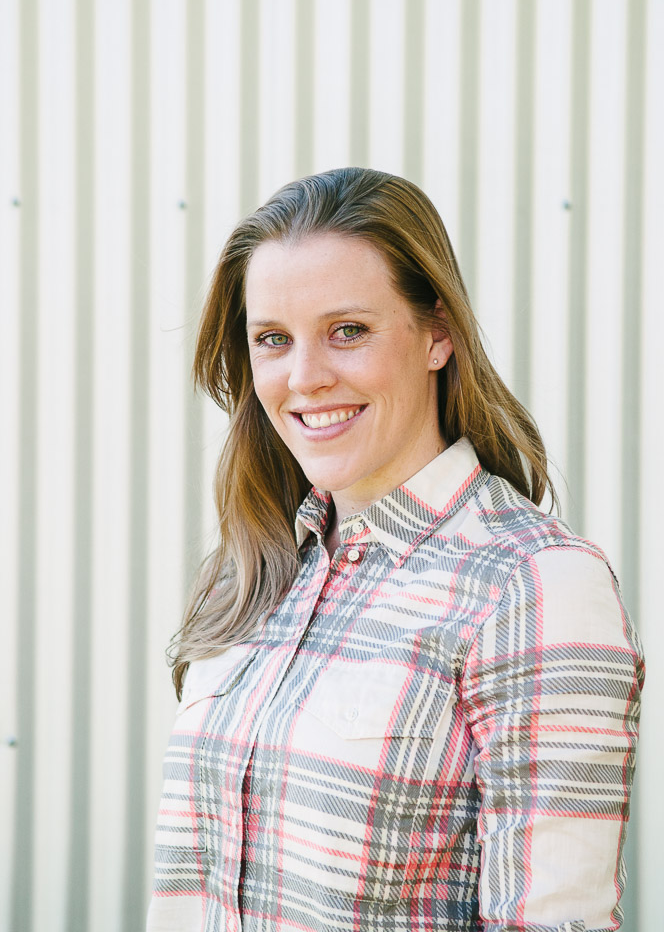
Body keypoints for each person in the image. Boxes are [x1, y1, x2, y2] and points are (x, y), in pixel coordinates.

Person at [147, 167, 644, 932]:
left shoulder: (535, 586)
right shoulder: (257, 566)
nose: (304, 378)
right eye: (273, 339)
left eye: (348, 331)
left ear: (437, 333)